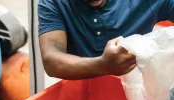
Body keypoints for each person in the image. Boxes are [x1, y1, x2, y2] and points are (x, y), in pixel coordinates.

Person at [38, 0, 174, 79]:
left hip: (140, 89)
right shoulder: (54, 3)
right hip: (80, 93)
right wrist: (102, 65)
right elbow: (51, 61)